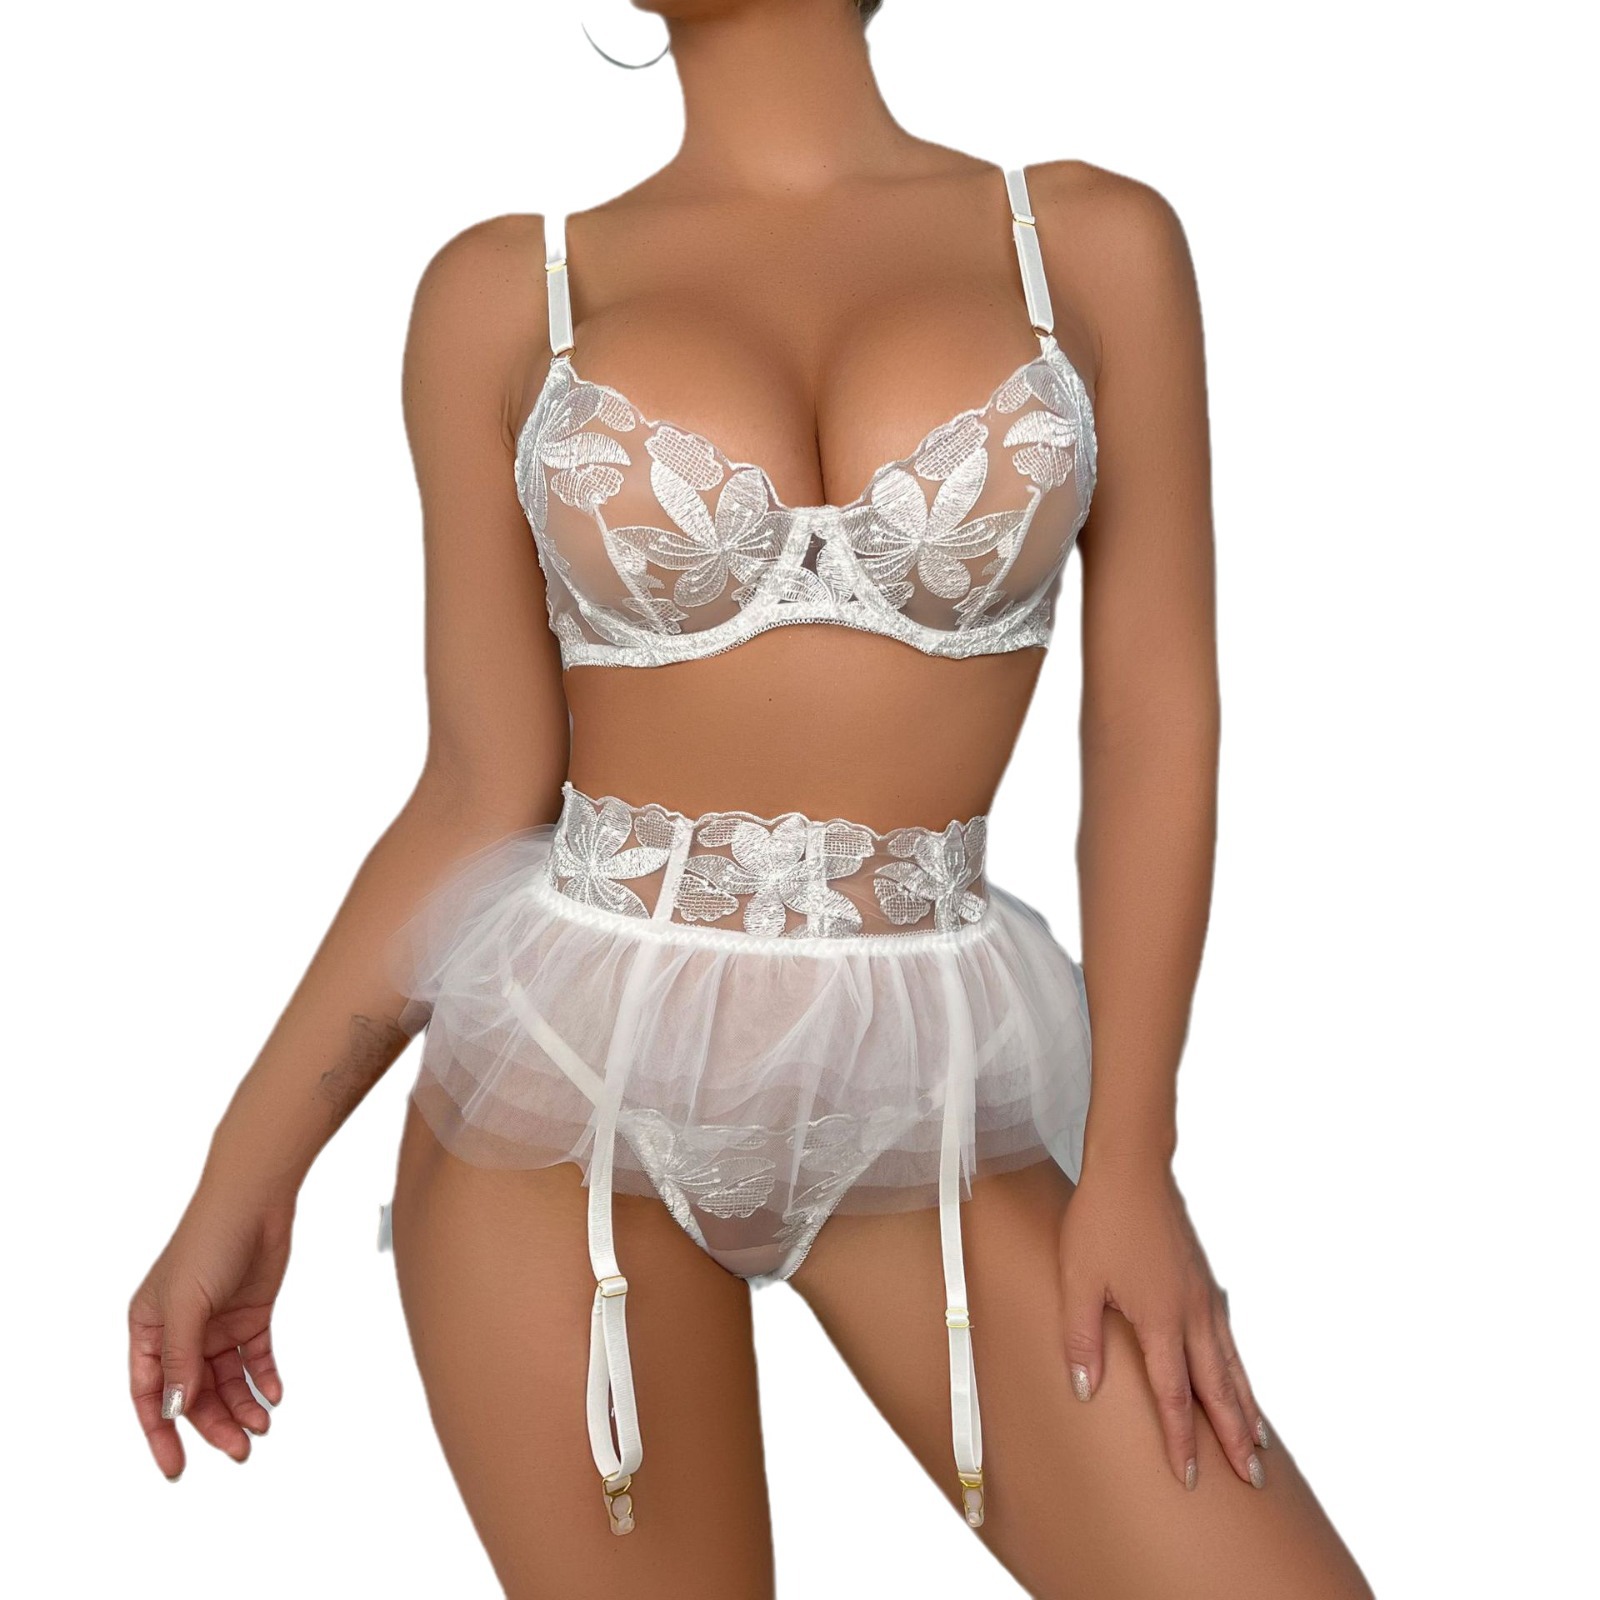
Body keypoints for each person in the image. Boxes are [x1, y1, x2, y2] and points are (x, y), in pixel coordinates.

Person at [128, 3, 1375, 1595]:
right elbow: (479, 786)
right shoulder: (506, 292)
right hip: (556, 1106)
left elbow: (1153, 726)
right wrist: (245, 1172)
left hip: (924, 1092)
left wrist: (1134, 1160)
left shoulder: (1089, 246)